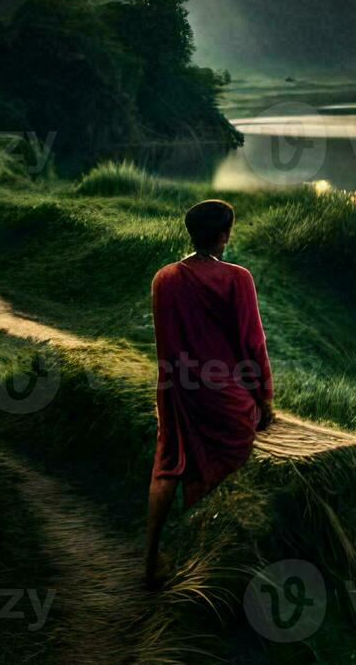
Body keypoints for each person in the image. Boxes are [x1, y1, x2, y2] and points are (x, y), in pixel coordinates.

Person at [145, 200, 273, 587]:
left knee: (168, 464)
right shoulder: (238, 278)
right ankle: (197, 547)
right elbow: (253, 344)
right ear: (222, 236)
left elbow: (164, 344)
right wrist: (263, 399)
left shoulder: (163, 278)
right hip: (223, 399)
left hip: (176, 391)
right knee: (232, 446)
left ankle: (150, 558)